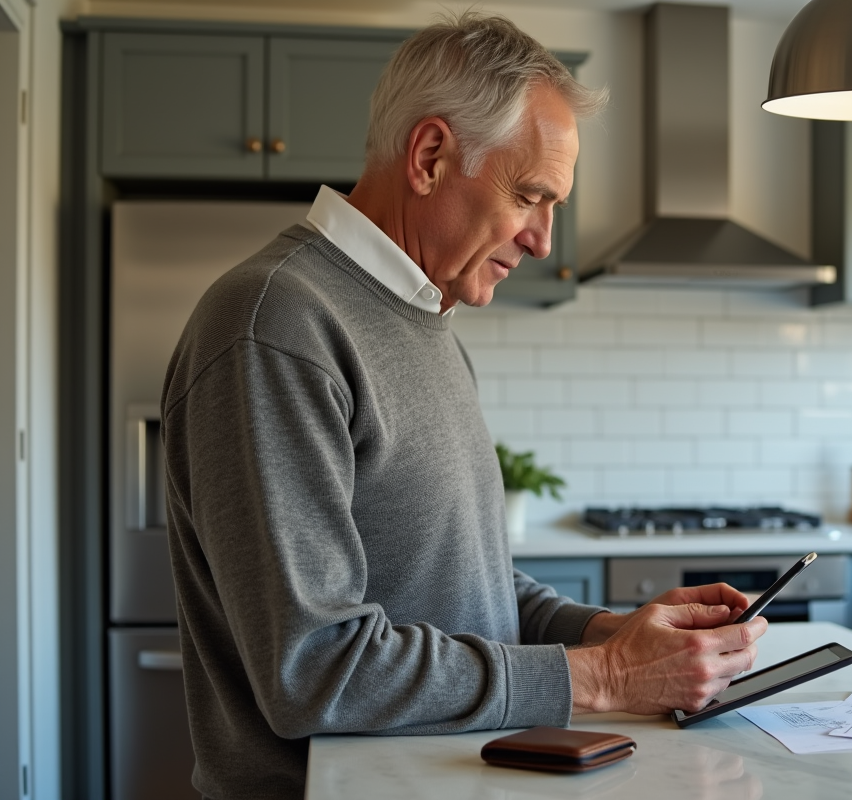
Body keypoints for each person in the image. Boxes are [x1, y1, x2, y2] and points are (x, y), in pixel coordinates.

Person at [161, 12, 766, 800]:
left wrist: (604, 632)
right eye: (531, 196)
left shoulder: (428, 320)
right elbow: (314, 671)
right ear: (431, 156)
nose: (545, 240)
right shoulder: (277, 323)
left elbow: (462, 588)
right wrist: (606, 676)